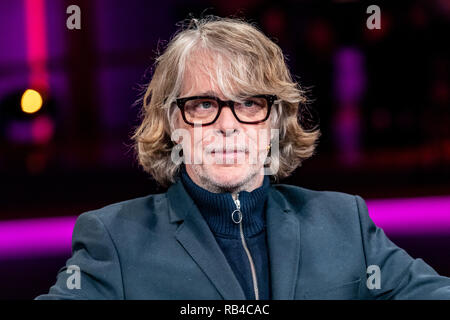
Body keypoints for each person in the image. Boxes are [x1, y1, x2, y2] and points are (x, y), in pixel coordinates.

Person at [35, 16, 450, 300]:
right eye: (202, 105)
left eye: (249, 103)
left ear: (274, 121)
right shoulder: (115, 239)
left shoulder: (345, 222)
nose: (228, 125)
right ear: (172, 122)